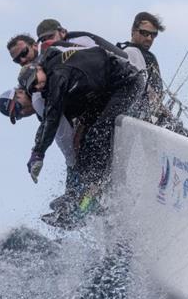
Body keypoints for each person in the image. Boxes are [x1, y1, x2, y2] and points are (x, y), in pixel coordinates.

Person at [19, 44, 146, 198]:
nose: (38, 86)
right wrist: (37, 150)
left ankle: (95, 187)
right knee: (85, 140)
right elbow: (47, 119)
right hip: (106, 92)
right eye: (33, 88)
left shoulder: (58, 75)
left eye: (36, 81)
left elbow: (52, 119)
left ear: (39, 68)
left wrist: (39, 153)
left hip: (128, 83)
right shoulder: (51, 72)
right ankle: (79, 193)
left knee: (99, 131)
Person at [0, 87, 79, 204]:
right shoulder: (39, 103)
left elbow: (60, 133)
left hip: (98, 102)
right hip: (87, 110)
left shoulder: (38, 98)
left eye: (18, 107)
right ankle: (75, 197)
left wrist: (72, 162)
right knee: (75, 165)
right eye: (18, 115)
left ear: (19, 92)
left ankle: (86, 199)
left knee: (78, 163)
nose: (23, 113)